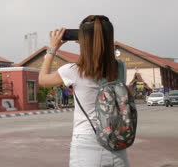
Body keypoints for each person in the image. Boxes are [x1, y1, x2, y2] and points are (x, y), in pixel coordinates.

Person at [38, 15, 129, 166]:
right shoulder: (120, 68)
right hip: (116, 141)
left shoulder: (73, 71)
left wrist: (52, 49)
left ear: (83, 40)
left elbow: (43, 79)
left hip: (88, 143)